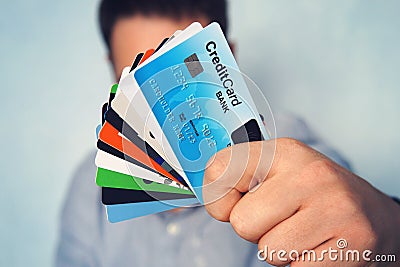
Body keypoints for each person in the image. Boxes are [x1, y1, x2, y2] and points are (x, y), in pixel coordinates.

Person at [55, 0, 366, 266]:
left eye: (179, 77)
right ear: (112, 70)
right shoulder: (90, 188)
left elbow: (355, 231)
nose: (167, 114)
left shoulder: (295, 152)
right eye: (138, 84)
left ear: (225, 57)